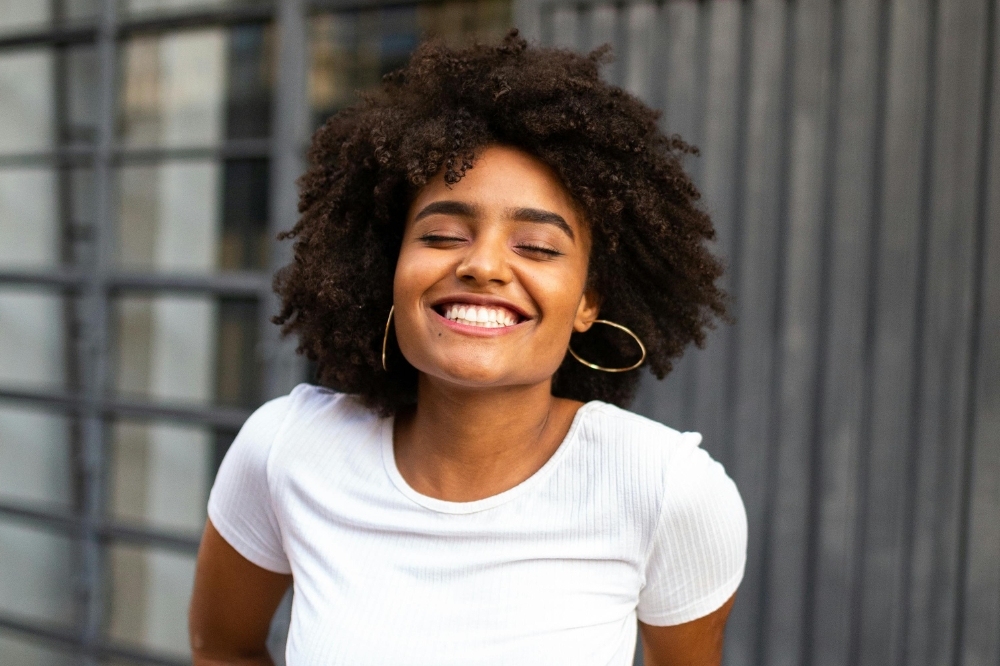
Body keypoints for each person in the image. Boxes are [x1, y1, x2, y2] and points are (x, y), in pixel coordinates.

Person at [189, 30, 747, 666]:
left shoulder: (665, 489)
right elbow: (222, 647)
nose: (483, 265)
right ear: (387, 268)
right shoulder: (286, 450)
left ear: (589, 300)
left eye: (536, 247)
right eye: (444, 234)